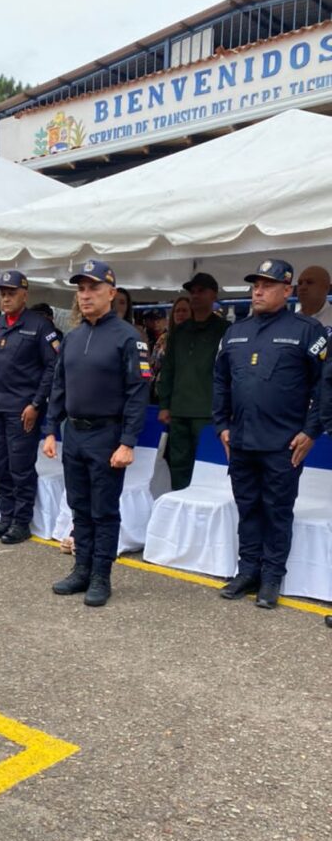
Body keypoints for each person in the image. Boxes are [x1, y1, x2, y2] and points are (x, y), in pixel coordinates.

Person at [213, 259, 326, 610]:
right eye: (255, 285)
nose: (258, 291)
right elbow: (220, 381)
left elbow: (325, 386)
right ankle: (248, 571)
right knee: (247, 508)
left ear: (287, 290)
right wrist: (222, 425)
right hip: (242, 440)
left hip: (284, 444)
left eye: (267, 285)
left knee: (277, 511)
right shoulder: (235, 332)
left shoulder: (307, 330)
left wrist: (311, 431)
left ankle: (272, 577)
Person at [43, 260, 151, 606]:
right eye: (81, 289)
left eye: (93, 288)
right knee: (79, 505)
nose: (86, 295)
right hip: (74, 433)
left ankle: (101, 576)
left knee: (103, 510)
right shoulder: (73, 338)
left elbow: (138, 392)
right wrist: (50, 429)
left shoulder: (128, 337)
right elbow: (59, 385)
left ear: (111, 293)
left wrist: (128, 442)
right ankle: (81, 569)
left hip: (107, 435)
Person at [0, 270, 59, 545]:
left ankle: (21, 522)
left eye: (11, 293)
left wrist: (36, 403)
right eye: (2, 294)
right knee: (0, 466)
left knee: (20, 467)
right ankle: (6, 517)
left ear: (24, 295)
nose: (5, 298)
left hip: (23, 410)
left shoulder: (40, 326)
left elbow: (53, 367)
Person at [157, 273, 230, 490]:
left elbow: (230, 374)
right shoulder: (179, 331)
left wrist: (226, 410)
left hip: (209, 412)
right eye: (193, 292)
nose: (195, 296)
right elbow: (168, 369)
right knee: (178, 466)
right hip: (179, 411)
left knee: (207, 467)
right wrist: (164, 405)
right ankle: (180, 502)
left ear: (214, 295)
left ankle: (204, 507)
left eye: (201, 291)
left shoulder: (225, 330)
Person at [296, 265, 332, 331]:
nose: (302, 287)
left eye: (309, 282)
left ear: (326, 287)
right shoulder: (289, 321)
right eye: (300, 283)